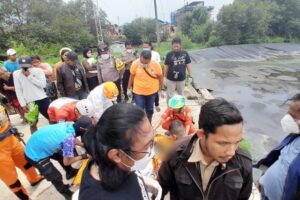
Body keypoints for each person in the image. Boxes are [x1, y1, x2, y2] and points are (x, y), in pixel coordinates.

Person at [158, 98, 252, 200]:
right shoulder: (175, 155)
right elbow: (160, 190)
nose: (231, 152)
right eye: (223, 143)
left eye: (237, 142)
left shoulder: (243, 163)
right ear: (201, 134)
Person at [79, 103, 162, 200]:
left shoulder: (104, 159)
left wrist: (142, 182)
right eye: (147, 145)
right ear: (116, 155)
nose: (152, 150)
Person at [25, 116, 93, 200]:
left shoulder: (70, 124)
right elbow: (67, 162)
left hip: (39, 143)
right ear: (82, 129)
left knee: (61, 155)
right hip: (34, 154)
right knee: (55, 176)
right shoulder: (68, 139)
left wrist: (83, 145)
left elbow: (72, 137)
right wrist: (84, 156)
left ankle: (70, 172)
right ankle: (67, 194)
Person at [255, 93, 300, 200]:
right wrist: (263, 179)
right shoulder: (295, 136)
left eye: (292, 116)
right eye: (288, 113)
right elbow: (280, 160)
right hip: (264, 193)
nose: (287, 118)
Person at [0, 105, 44, 200]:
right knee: (10, 177)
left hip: (10, 138)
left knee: (25, 162)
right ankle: (24, 198)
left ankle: (34, 178)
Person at [13, 56, 50, 133]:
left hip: (42, 99)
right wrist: (23, 104)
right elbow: (18, 90)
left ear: (31, 64)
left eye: (26, 66)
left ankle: (56, 137)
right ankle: (35, 141)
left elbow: (43, 85)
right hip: (30, 102)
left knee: (52, 119)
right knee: (32, 124)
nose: (24, 68)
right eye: (22, 67)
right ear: (19, 66)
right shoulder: (16, 74)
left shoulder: (38, 71)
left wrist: (30, 76)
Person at [128, 50, 163, 122]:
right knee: (139, 109)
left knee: (149, 109)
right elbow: (131, 76)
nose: (143, 63)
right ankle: (140, 124)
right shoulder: (135, 64)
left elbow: (160, 76)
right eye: (142, 61)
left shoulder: (156, 65)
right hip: (138, 91)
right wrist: (128, 88)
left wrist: (161, 88)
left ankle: (149, 123)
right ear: (140, 57)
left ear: (150, 60)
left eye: (146, 62)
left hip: (152, 91)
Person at [142, 41, 162, 112]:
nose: (145, 48)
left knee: (155, 92)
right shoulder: (141, 54)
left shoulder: (155, 54)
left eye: (146, 47)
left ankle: (156, 104)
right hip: (144, 77)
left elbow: (158, 65)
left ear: (150, 47)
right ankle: (145, 106)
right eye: (144, 47)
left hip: (153, 75)